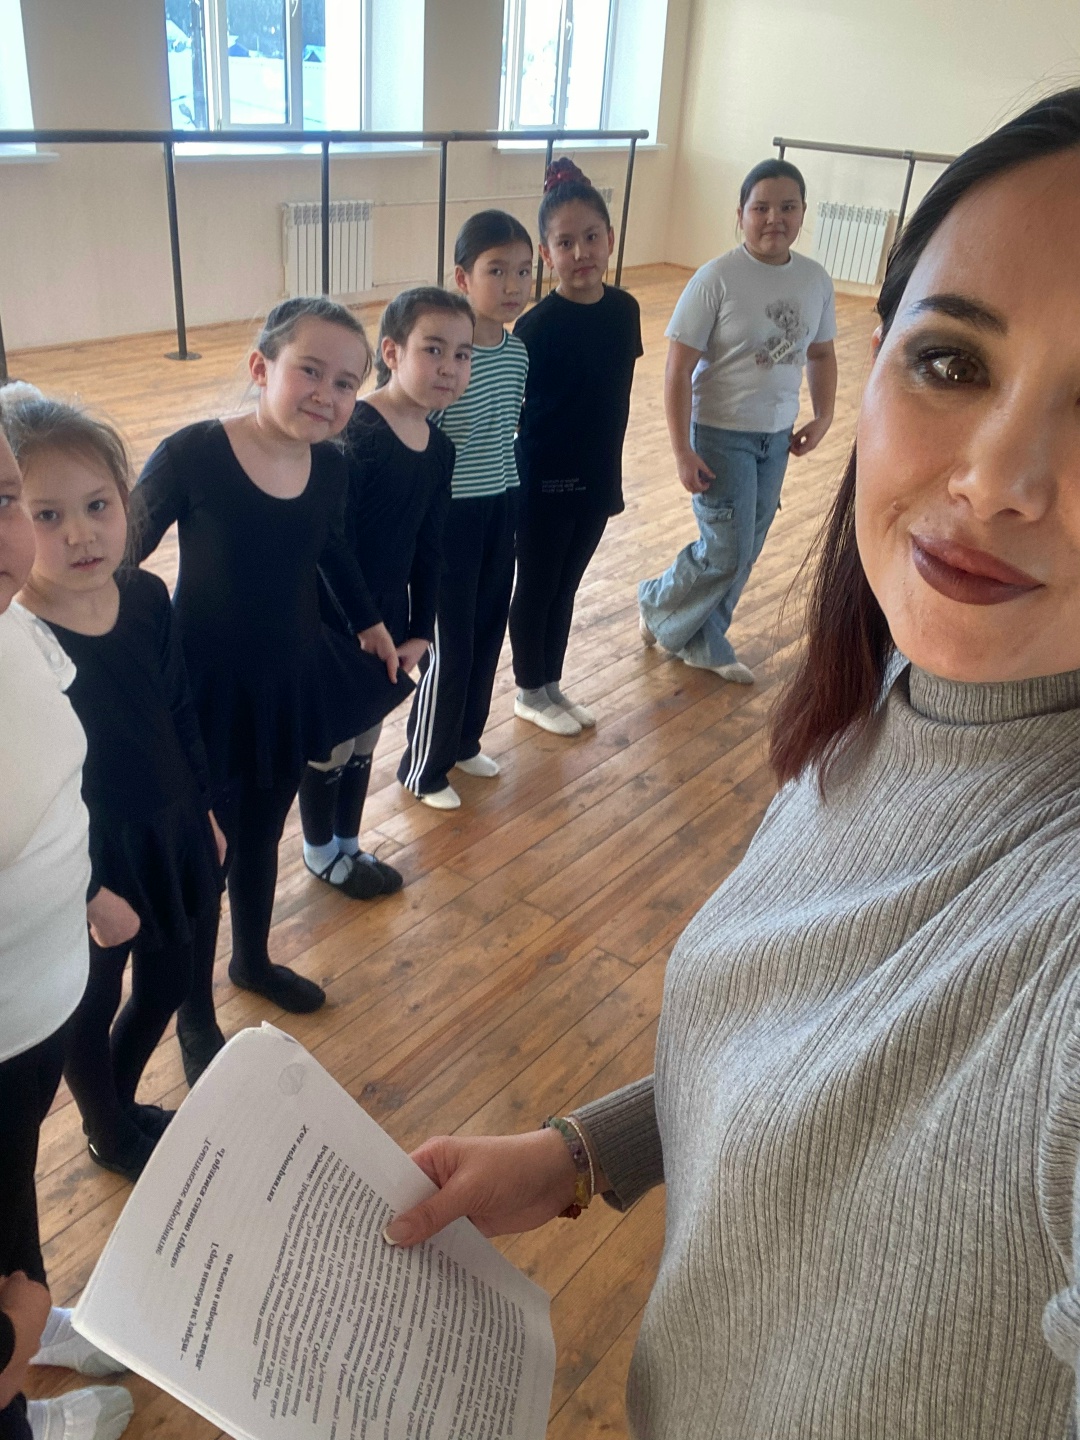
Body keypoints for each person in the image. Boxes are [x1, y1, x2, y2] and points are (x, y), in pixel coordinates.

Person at [380, 88, 1080, 1438]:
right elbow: (827, 1067)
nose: (999, 477)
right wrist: (584, 1153)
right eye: (952, 362)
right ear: (877, 362)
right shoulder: (898, 690)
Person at [133, 298, 413, 1016]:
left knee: (261, 835)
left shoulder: (331, 466)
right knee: (209, 853)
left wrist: (370, 623)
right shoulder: (193, 454)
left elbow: (330, 548)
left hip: (288, 686)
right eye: (309, 371)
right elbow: (121, 559)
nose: (327, 394)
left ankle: (251, 962)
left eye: (346, 383)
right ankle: (195, 1017)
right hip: (205, 697)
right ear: (262, 367)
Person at [5, 392, 226, 1178]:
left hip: (172, 830)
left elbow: (178, 708)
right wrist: (93, 891)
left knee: (169, 981)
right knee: (89, 1007)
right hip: (93, 861)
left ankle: (120, 1104)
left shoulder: (144, 596)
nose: (80, 534)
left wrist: (204, 809)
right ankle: (106, 1127)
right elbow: (39, 792)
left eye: (97, 506)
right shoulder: (24, 638)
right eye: (48, 515)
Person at [0, 424, 133, 1440]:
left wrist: (84, 886)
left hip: (36, 1007)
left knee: (11, 1201)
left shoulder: (11, 622)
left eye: (2, 498)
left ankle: (27, 1316)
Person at [298, 287, 471, 898]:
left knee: (366, 733)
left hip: (389, 623)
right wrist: (365, 624)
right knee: (332, 739)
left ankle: (348, 843)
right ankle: (319, 850)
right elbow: (332, 544)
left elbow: (429, 545)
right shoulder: (357, 433)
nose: (449, 367)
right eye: (434, 350)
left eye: (462, 355)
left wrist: (420, 629)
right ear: (392, 353)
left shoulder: (440, 449)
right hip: (338, 620)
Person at [638, 158, 837, 683]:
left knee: (746, 546)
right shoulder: (716, 279)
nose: (774, 218)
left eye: (787, 207)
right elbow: (677, 370)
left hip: (776, 437)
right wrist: (682, 450)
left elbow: (820, 353)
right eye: (761, 207)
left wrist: (824, 415)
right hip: (721, 433)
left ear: (803, 212)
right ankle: (659, 604)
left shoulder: (815, 279)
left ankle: (704, 634)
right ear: (741, 214)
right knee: (727, 548)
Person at [397, 211, 533, 810]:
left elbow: (508, 433)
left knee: (485, 632)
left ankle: (462, 742)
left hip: (501, 508)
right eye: (496, 271)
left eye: (523, 272)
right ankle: (422, 766)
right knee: (447, 644)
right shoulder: (447, 361)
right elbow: (420, 437)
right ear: (462, 278)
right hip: (449, 517)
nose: (513, 285)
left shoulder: (518, 353)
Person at [509, 158, 643, 735]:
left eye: (591, 237)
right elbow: (519, 410)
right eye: (565, 243)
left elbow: (612, 395)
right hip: (544, 479)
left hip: (598, 472)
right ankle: (527, 690)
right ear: (547, 254)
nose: (581, 252)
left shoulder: (625, 311)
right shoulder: (536, 328)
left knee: (567, 584)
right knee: (538, 583)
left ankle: (551, 684)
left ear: (609, 238)